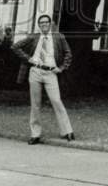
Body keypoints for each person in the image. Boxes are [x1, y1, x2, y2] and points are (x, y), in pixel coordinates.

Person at [11, 13, 75, 144]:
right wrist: (28, 59)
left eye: (46, 23)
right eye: (41, 23)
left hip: (51, 73)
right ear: (39, 26)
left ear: (50, 24)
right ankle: (35, 134)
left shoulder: (58, 37)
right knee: (35, 104)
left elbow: (68, 53)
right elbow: (15, 47)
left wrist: (61, 68)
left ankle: (67, 131)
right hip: (35, 71)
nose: (44, 25)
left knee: (56, 101)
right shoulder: (34, 37)